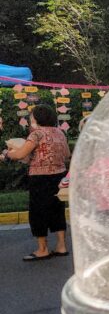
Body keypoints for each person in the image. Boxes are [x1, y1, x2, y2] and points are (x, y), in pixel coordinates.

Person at [2, 105, 71, 261]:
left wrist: (7, 154)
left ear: (37, 118)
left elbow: (20, 154)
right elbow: (66, 154)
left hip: (40, 179)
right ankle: (61, 246)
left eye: (31, 117)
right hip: (59, 176)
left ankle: (42, 249)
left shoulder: (36, 134)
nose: (29, 120)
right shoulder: (60, 133)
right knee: (57, 210)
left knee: (38, 212)